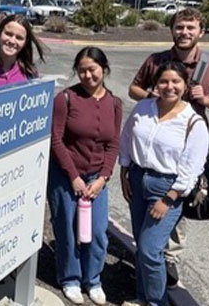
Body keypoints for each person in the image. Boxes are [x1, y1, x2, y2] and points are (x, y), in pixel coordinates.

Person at [127, 7, 209, 285]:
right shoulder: (157, 61)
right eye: (179, 27)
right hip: (157, 145)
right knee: (151, 205)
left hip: (191, 145)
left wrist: (207, 100)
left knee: (180, 201)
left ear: (201, 31)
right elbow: (134, 89)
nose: (184, 33)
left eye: (191, 28)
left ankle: (170, 258)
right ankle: (152, 255)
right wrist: (150, 93)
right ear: (172, 30)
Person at [119, 61, 209, 306]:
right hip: (138, 180)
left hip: (168, 188)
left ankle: (157, 302)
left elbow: (192, 168)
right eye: (164, 81)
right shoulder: (143, 107)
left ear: (185, 85)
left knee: (150, 249)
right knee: (141, 246)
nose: (169, 87)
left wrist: (169, 198)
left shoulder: (193, 122)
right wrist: (124, 170)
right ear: (156, 84)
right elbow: (127, 137)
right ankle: (142, 297)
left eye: (176, 82)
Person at [48, 47, 122, 305]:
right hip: (66, 175)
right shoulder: (66, 98)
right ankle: (70, 278)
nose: (87, 75)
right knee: (67, 229)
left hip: (96, 178)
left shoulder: (114, 103)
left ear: (104, 69)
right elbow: (56, 140)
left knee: (98, 231)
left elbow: (113, 144)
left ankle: (93, 279)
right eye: (82, 70)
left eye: (92, 69)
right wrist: (73, 177)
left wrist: (103, 178)